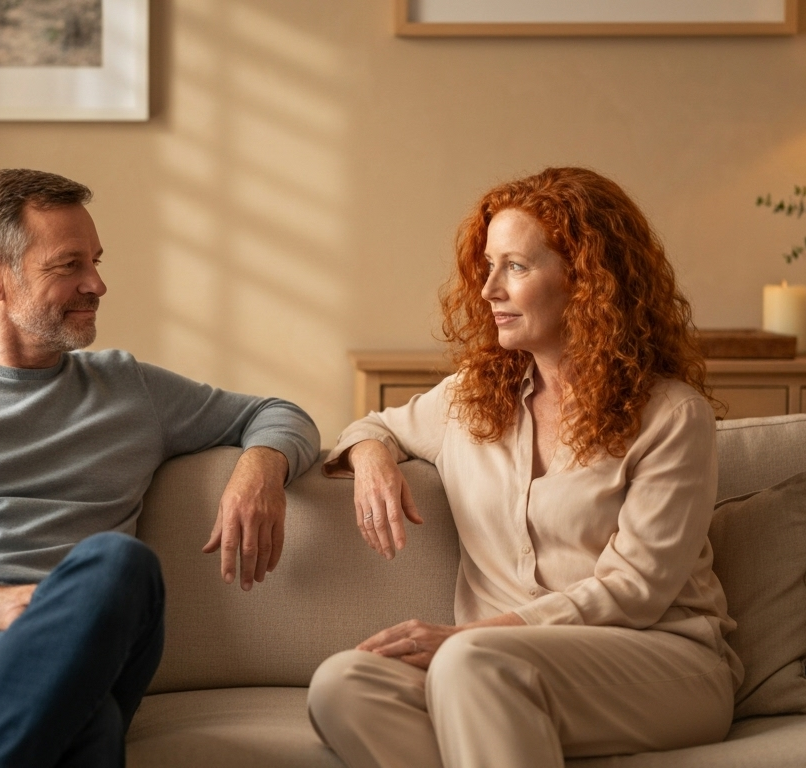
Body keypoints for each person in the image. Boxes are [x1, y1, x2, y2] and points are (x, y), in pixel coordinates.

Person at [0, 169, 319, 768]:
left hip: (86, 649)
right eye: (68, 265)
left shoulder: (130, 390)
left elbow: (279, 413)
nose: (97, 284)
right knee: (90, 729)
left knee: (120, 564)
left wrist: (259, 467)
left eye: (96, 261)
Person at [307, 167, 744, 767]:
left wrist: (477, 636)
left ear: (586, 281)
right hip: (491, 672)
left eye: (515, 266)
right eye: (487, 266)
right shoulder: (473, 397)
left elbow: (636, 590)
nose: (488, 290)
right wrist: (374, 456)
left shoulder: (672, 416)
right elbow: (371, 426)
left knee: (469, 663)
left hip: (659, 662)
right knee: (342, 684)